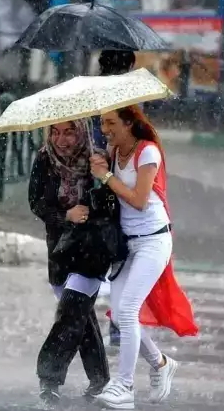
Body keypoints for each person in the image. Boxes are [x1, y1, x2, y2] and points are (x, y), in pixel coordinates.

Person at [89, 105, 198, 409]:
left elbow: (138, 200)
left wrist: (106, 175)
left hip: (153, 241)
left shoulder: (147, 151)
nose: (105, 129)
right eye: (102, 123)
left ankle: (124, 387)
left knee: (127, 312)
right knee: (119, 315)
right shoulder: (114, 152)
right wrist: (101, 166)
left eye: (110, 123)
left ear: (129, 123)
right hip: (127, 245)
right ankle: (161, 363)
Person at [28, 119, 111, 409]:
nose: (61, 140)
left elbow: (112, 204)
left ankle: (49, 379)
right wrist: (66, 216)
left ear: (82, 132)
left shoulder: (98, 159)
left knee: (71, 312)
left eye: (69, 132)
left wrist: (101, 181)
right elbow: (36, 203)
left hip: (92, 249)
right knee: (80, 316)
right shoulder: (44, 159)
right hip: (59, 249)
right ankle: (100, 379)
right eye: (55, 132)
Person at [94, 49, 137, 347]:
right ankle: (118, 325)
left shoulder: (90, 94)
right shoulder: (132, 99)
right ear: (129, 65)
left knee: (98, 253)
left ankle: (84, 321)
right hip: (122, 181)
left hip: (96, 181)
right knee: (123, 256)